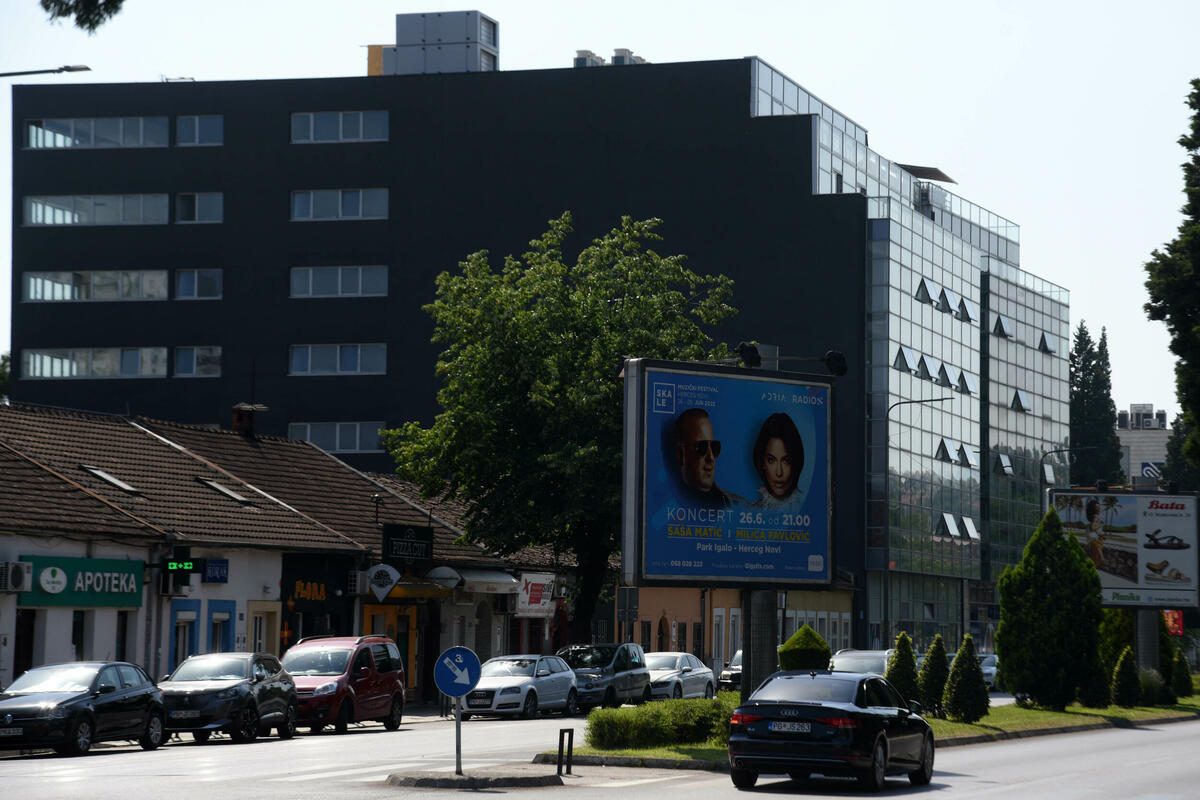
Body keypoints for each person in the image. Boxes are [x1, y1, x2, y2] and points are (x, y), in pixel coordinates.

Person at [673, 408, 739, 507]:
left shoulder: (736, 505)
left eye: (714, 447)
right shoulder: (666, 508)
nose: (711, 457)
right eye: (701, 447)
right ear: (681, 454)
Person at [750, 413, 804, 508]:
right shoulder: (752, 511)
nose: (779, 473)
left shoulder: (810, 507)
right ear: (763, 463)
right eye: (771, 460)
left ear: (796, 463)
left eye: (786, 461)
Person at [1084, 498, 1104, 567]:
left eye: (1099, 507)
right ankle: (1089, 569)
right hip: (1095, 540)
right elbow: (1092, 528)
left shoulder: (1095, 517)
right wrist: (1100, 524)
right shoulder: (1095, 517)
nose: (1099, 509)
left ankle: (1089, 569)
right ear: (1094, 509)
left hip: (1096, 540)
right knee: (1100, 559)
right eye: (1097, 507)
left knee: (1096, 559)